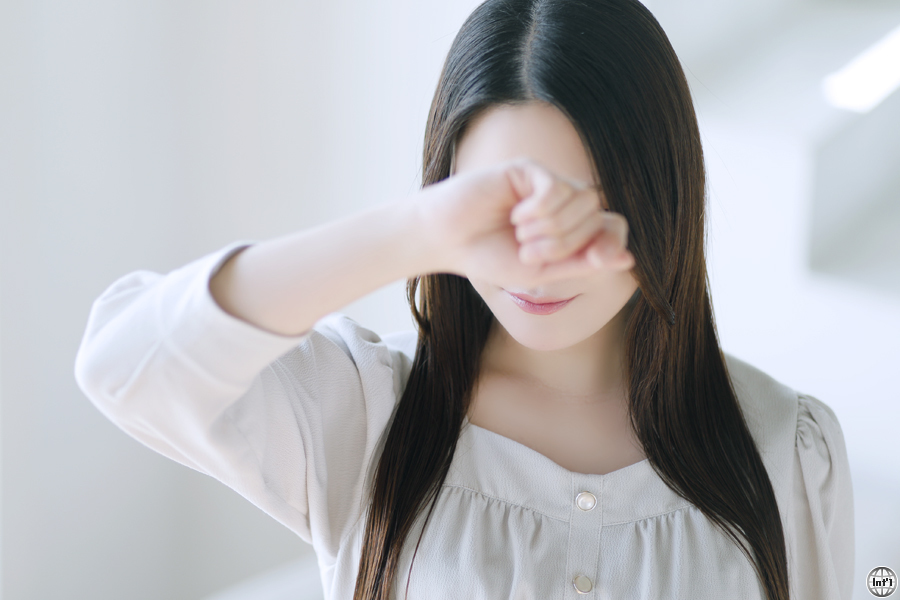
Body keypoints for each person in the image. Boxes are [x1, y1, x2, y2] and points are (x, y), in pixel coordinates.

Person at [73, 0, 855, 599]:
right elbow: (124, 364)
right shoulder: (369, 414)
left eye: (575, 209)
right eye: (498, 211)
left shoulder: (790, 450)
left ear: (661, 198)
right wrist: (413, 234)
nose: (537, 265)